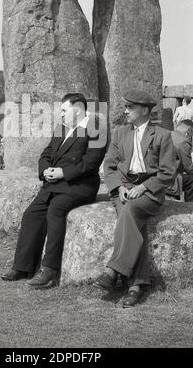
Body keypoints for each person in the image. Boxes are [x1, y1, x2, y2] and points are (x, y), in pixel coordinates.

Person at [1, 93, 106, 288]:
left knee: (56, 210)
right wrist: (45, 171)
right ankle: (23, 267)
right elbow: (46, 153)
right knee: (31, 214)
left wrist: (62, 173)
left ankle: (49, 269)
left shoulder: (97, 128)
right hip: (54, 183)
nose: (61, 114)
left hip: (80, 185)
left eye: (64, 110)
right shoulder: (62, 128)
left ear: (78, 109)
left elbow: (90, 163)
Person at [94, 89, 176, 307]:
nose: (126, 110)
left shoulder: (163, 135)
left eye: (130, 107)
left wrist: (145, 186)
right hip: (123, 187)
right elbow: (109, 166)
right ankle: (136, 285)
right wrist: (118, 187)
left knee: (130, 210)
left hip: (149, 191)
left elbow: (168, 173)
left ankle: (113, 270)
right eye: (126, 106)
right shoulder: (120, 133)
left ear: (145, 110)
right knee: (133, 222)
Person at [169, 119, 193, 202]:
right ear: (188, 131)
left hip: (154, 174)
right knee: (192, 180)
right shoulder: (183, 141)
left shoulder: (168, 134)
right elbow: (189, 168)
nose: (191, 137)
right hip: (167, 178)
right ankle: (189, 208)